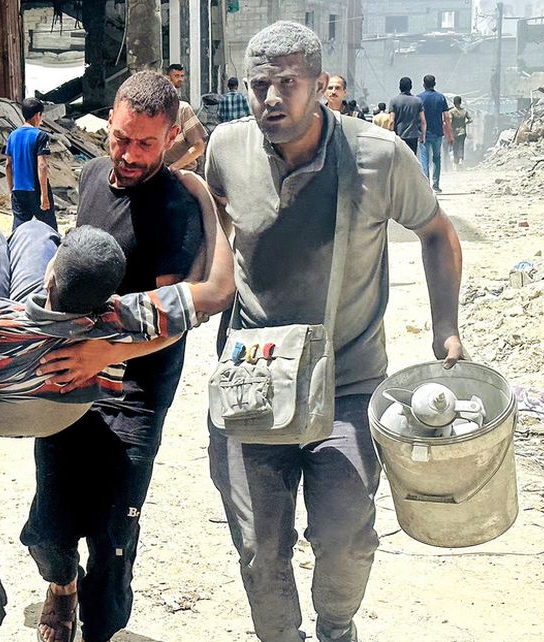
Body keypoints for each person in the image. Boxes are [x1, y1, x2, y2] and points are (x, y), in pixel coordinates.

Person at [204, 21, 465, 642]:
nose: (269, 98)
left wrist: (446, 327)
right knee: (259, 547)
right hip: (253, 384)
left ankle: (337, 627)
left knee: (345, 534)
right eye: (257, 84)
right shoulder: (225, 148)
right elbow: (210, 246)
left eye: (286, 84)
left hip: (348, 382)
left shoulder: (378, 155)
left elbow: (437, 232)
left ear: (320, 85)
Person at [23, 71, 211, 642]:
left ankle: (101, 622)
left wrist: (104, 352)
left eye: (145, 144)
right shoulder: (88, 178)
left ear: (170, 135)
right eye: (120, 138)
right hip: (70, 376)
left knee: (112, 536)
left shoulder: (176, 207)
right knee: (50, 527)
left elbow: (171, 316)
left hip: (136, 392)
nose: (127, 155)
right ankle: (61, 588)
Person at [0, 175, 233, 439]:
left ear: (51, 276)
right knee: (33, 231)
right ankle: (33, 236)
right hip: (63, 417)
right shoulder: (119, 316)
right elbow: (216, 290)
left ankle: (12, 236)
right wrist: (205, 198)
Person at [5, 98, 56, 231]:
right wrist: (44, 196)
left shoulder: (12, 136)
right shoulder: (40, 136)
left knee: (18, 231)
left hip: (18, 190)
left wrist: (12, 190)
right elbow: (42, 166)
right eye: (41, 116)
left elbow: (8, 165)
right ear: (37, 115)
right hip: (35, 189)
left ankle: (13, 251)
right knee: (50, 229)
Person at [164, 63, 210, 172]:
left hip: (183, 172)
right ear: (167, 78)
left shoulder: (183, 109)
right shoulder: (152, 111)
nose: (180, 79)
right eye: (176, 76)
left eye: (182, 76)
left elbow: (199, 147)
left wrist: (172, 169)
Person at [418, 74, 452, 192]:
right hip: (438, 133)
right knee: (437, 158)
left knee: (424, 159)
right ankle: (436, 185)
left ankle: (426, 185)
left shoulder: (419, 98)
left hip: (424, 134)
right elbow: (446, 117)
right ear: (434, 84)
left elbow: (417, 117)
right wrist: (450, 134)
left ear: (423, 84)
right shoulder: (440, 98)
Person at [387, 76, 425, 155]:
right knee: (412, 159)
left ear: (399, 87)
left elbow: (391, 121)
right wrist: (423, 135)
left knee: (399, 159)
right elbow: (423, 121)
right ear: (411, 87)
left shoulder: (394, 101)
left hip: (399, 136)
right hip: (413, 136)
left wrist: (389, 135)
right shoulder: (418, 101)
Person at [447, 95, 473, 168]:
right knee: (461, 146)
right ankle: (461, 159)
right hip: (463, 131)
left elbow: (450, 121)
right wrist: (464, 123)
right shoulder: (464, 111)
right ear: (460, 102)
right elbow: (471, 120)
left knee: (455, 147)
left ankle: (456, 162)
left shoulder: (451, 111)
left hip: (454, 132)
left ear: (454, 102)